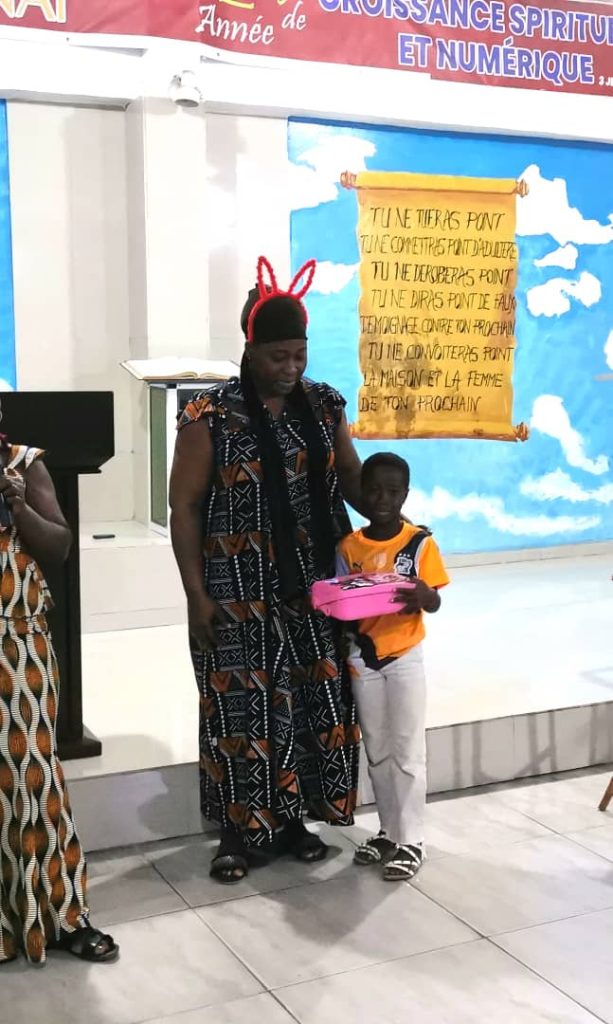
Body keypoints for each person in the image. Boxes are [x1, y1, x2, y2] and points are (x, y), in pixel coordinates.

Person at [169, 256, 364, 884]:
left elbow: (353, 479)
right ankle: (236, 831)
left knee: (309, 698)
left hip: (314, 585)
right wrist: (195, 595)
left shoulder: (324, 405)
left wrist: (398, 525)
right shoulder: (210, 415)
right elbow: (184, 507)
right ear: (250, 350)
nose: (291, 366)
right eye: (278, 355)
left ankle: (293, 821)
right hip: (234, 587)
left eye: (299, 354)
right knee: (240, 707)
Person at [0, 434, 118, 965]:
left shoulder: (25, 465)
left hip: (20, 641)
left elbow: (59, 547)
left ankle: (65, 914)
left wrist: (18, 505)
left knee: (35, 774)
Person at [336, 452, 449, 881]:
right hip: (363, 659)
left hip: (404, 658)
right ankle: (388, 830)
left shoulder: (419, 544)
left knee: (408, 753)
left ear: (405, 495)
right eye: (374, 491)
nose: (383, 499)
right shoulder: (349, 548)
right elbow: (341, 602)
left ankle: (412, 840)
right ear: (362, 494)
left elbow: (434, 600)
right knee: (378, 750)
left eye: (392, 491)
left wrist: (426, 597)